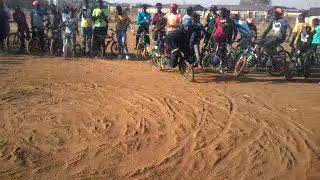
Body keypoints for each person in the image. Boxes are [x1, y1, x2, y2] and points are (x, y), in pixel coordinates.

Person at [213, 8, 235, 73]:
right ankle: (215, 63)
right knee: (219, 52)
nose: (220, 13)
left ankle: (220, 67)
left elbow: (230, 30)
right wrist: (212, 35)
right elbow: (216, 28)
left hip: (223, 38)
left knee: (223, 53)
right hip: (217, 37)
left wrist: (230, 38)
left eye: (222, 12)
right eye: (220, 12)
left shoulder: (229, 20)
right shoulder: (218, 20)